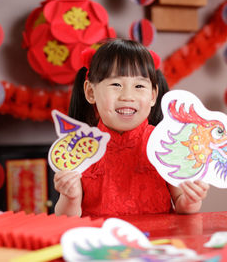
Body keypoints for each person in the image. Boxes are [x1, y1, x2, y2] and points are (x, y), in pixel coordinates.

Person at [54, 38, 209, 217]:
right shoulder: (78, 147)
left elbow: (182, 202)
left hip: (158, 242)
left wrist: (192, 198)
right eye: (116, 84)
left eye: (139, 86)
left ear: (152, 96)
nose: (128, 96)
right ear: (90, 92)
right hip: (102, 242)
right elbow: (66, 218)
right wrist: (70, 197)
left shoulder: (166, 142)